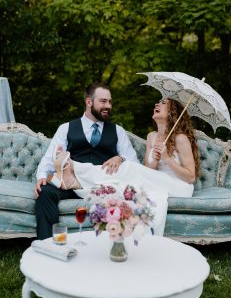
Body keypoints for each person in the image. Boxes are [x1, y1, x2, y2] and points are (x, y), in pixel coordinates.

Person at [47, 98, 199, 236]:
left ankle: (74, 167)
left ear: (173, 113)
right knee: (119, 185)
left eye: (164, 103)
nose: (156, 104)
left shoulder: (180, 138)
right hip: (156, 182)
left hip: (178, 186)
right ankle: (75, 182)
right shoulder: (151, 137)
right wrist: (156, 160)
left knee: (129, 167)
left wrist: (167, 159)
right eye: (158, 101)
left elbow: (191, 177)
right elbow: (147, 170)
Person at [35, 82, 139, 240]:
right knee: (46, 192)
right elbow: (50, 158)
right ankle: (47, 244)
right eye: (103, 101)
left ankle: (114, 243)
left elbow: (134, 164)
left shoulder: (118, 131)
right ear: (89, 102)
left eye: (110, 102)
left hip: (101, 186)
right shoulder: (66, 128)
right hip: (72, 183)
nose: (108, 106)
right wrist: (42, 176)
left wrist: (120, 157)